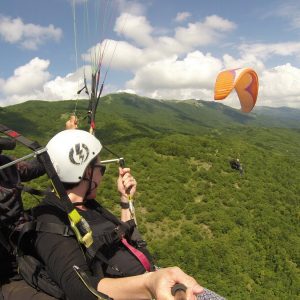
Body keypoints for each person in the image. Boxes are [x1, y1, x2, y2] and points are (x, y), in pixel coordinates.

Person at [20, 129, 225, 300]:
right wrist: (149, 285)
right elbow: (79, 289)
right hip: (146, 289)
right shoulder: (50, 220)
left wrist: (125, 200)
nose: (103, 174)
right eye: (101, 168)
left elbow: (127, 238)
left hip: (153, 277)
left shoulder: (87, 205)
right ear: (86, 172)